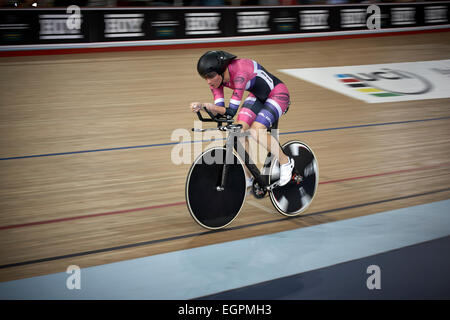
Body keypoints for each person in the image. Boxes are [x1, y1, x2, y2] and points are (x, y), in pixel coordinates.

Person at [190, 50, 294, 187]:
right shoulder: (215, 81)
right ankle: (249, 177)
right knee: (238, 134)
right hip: (258, 96)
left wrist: (207, 106)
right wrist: (204, 108)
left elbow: (231, 112)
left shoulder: (240, 73)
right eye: (205, 77)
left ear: (221, 71)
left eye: (210, 76)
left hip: (277, 94)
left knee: (256, 131)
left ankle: (286, 162)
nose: (208, 81)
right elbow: (221, 112)